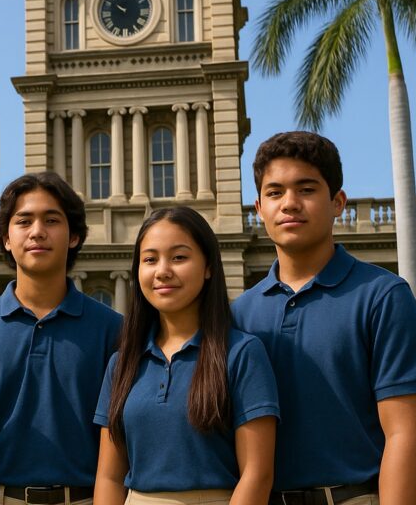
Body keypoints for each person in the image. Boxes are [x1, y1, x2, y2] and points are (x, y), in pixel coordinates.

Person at [233, 131, 416, 504]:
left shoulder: (383, 296)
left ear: (337, 202)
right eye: (275, 193)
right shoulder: (238, 314)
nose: (290, 204)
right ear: (259, 208)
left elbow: (404, 435)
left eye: (307, 189)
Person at [0, 172, 123, 505]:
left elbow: (118, 452)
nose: (37, 232)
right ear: (5, 238)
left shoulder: (113, 330)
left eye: (52, 220)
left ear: (74, 236)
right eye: (24, 221)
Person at [93, 207, 279, 505]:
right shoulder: (122, 363)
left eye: (179, 257)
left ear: (208, 267)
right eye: (150, 259)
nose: (162, 271)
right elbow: (109, 477)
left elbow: (257, 474)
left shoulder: (241, 352)